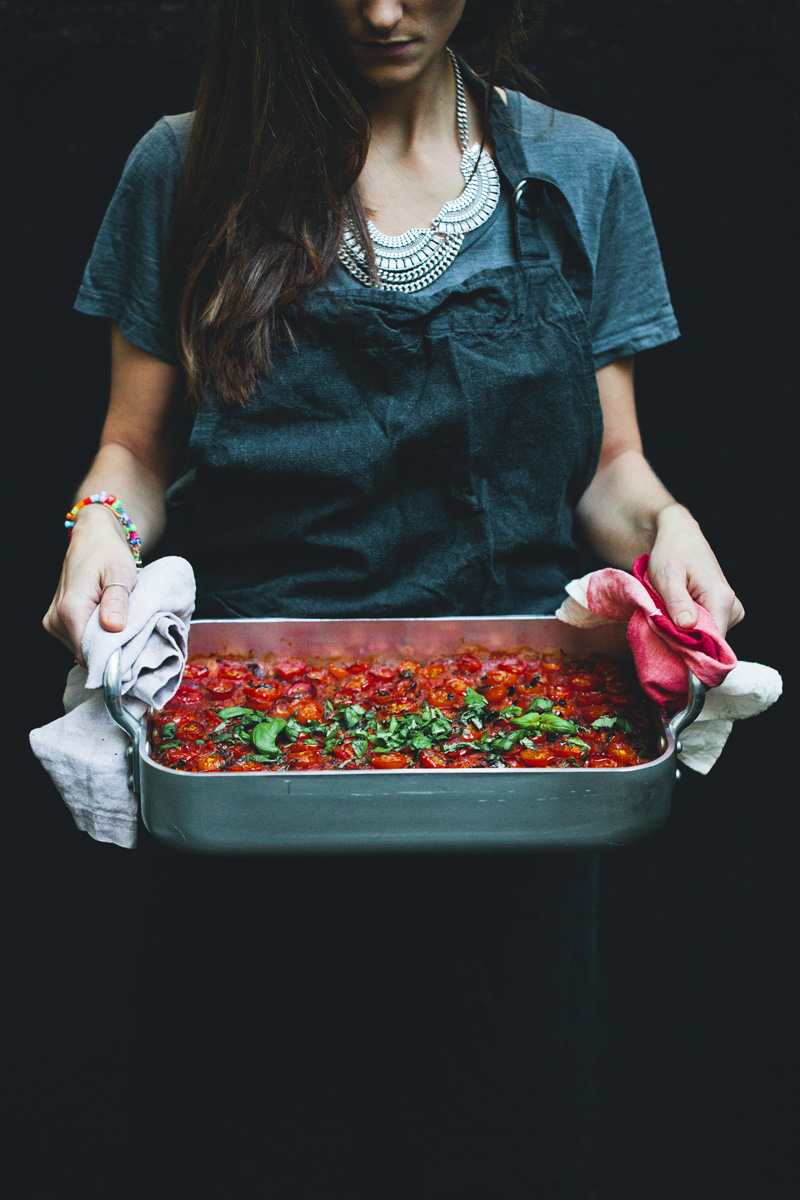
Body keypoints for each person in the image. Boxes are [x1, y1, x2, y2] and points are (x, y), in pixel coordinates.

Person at [42, 2, 743, 1197]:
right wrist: (92, 534)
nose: (380, 10)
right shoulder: (185, 163)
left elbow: (609, 471)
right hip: (249, 750)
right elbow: (133, 452)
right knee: (254, 1136)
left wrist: (669, 525)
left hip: (517, 762)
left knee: (494, 1134)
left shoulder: (582, 170)